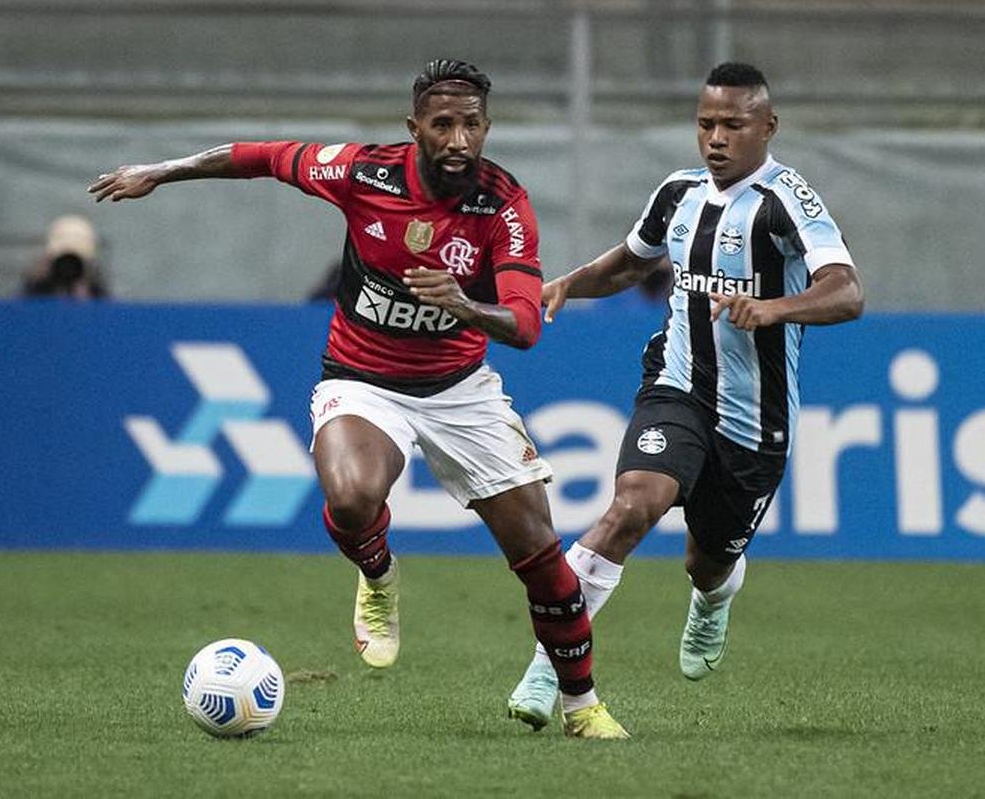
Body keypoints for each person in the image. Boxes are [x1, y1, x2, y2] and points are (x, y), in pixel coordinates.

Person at [90, 59, 628, 739]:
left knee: (540, 556)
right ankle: (378, 575)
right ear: (414, 128)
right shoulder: (364, 173)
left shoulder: (502, 205)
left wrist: (464, 305)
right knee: (349, 498)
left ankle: (582, 707)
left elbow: (524, 325)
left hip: (461, 391)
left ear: (487, 128)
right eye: (442, 125)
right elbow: (260, 157)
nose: (458, 140)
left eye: (471, 125)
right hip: (362, 378)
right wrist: (162, 171)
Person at [506, 62, 864, 733]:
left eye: (733, 125)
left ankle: (713, 599)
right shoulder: (678, 193)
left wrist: (774, 308)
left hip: (754, 418)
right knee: (630, 507)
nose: (716, 139)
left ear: (767, 127)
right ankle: (548, 666)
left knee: (707, 562)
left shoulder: (787, 201)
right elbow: (632, 260)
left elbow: (847, 291)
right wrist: (568, 284)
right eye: (705, 124)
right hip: (677, 387)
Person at [21, 214, 108, 299]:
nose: (68, 268)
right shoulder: (37, 287)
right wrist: (36, 280)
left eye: (74, 263)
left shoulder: (95, 291)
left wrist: (86, 288)